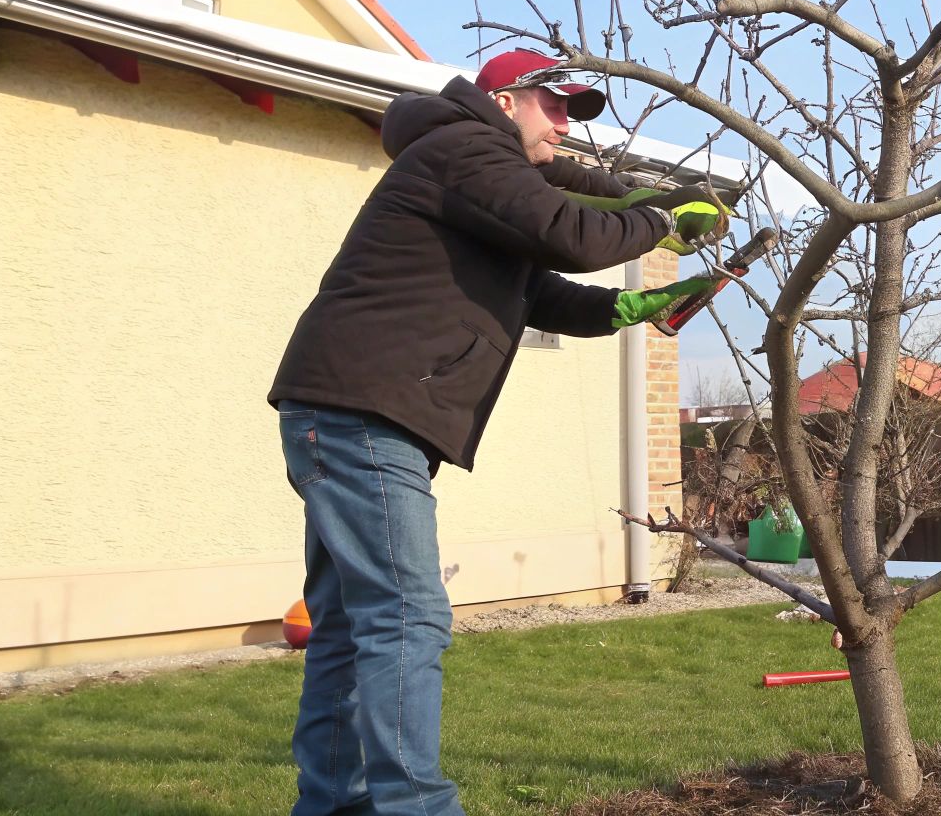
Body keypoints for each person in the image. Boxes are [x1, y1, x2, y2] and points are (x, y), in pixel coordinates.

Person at [267, 49, 722, 816]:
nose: (565, 124)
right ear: (505, 101)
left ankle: (333, 806)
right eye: (555, 104)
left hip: (349, 411)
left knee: (349, 627)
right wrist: (662, 221)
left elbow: (538, 290)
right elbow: (569, 232)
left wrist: (628, 309)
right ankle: (417, 806)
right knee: (408, 613)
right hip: (362, 414)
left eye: (573, 112)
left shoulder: (472, 172)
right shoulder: (462, 149)